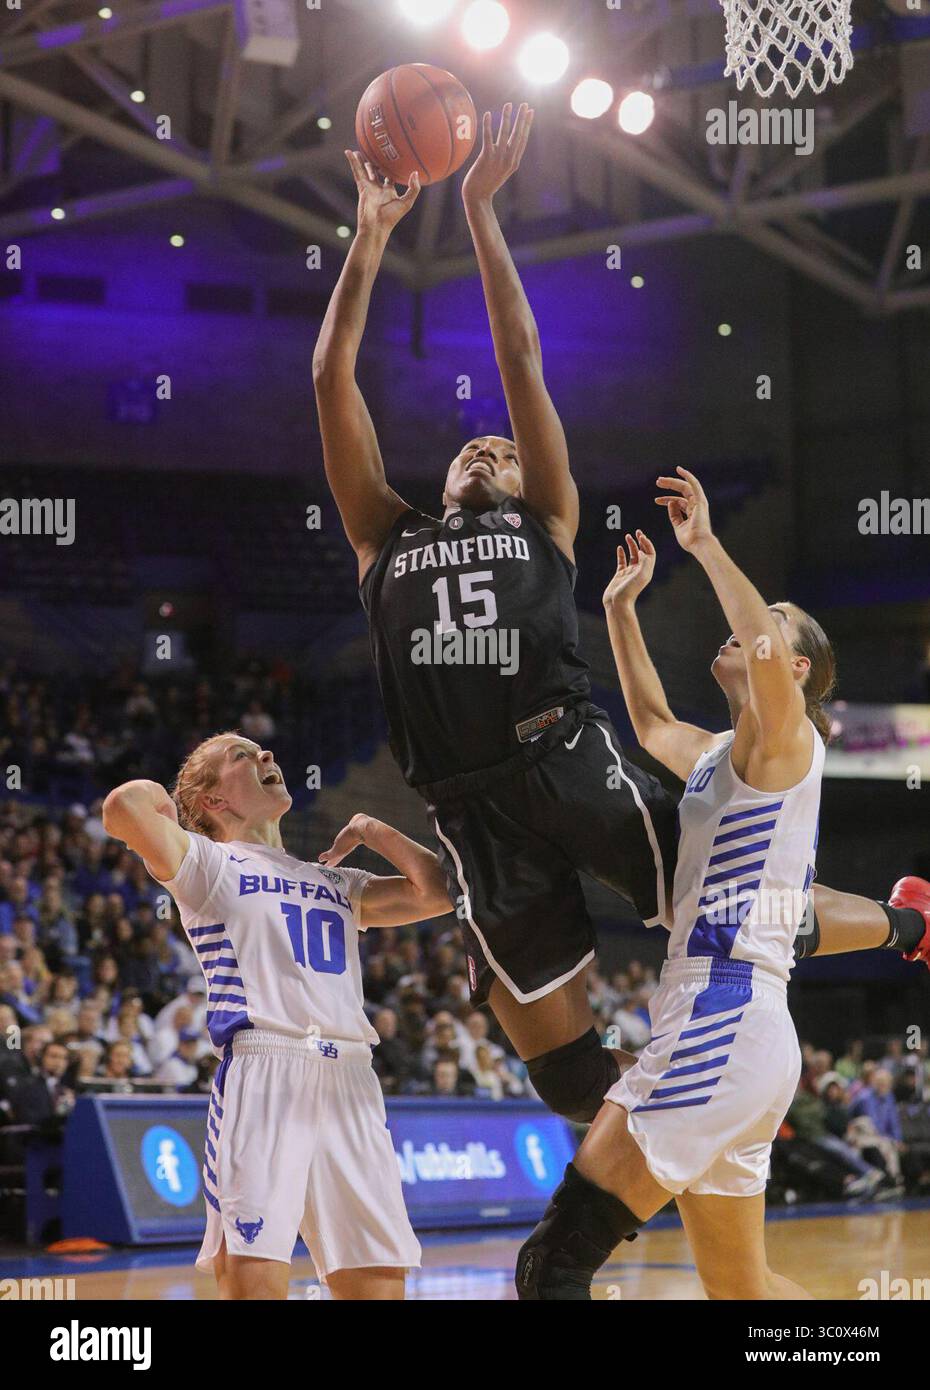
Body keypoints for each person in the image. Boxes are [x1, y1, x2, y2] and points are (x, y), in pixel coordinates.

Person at [313, 104, 930, 1130]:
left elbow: (519, 358)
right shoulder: (385, 534)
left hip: (564, 758)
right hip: (467, 807)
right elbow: (332, 376)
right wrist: (371, 235)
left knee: (733, 907)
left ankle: (909, 928)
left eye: (502, 451)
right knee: (562, 1074)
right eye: (472, 449)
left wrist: (478, 210)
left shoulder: (550, 520)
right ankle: (643, 1170)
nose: (486, 450)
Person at [514, 469, 855, 1300]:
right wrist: (620, 611)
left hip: (724, 1014)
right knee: (745, 1290)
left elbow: (765, 643)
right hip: (739, 1025)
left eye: (766, 623)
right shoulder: (719, 755)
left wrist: (702, 545)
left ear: (796, 665)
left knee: (553, 1264)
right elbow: (652, 724)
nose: (745, 629)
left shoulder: (791, 743)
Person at [102, 733, 452, 1301]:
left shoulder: (340, 883)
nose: (266, 757)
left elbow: (440, 893)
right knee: (255, 1277)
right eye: (243, 756)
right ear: (214, 801)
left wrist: (369, 829)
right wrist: (172, 803)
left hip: (352, 1078)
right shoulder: (206, 863)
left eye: (263, 751)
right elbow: (123, 809)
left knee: (380, 1283)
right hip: (267, 1068)